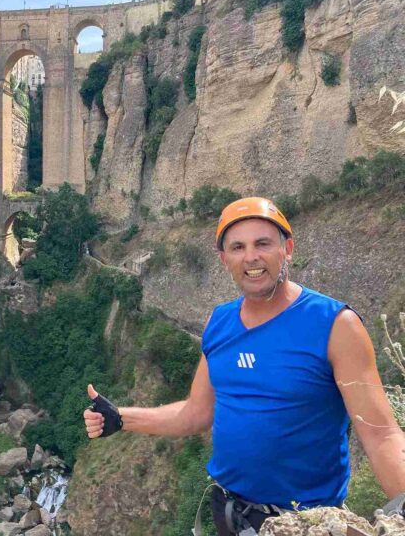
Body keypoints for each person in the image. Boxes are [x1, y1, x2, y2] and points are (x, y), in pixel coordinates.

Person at [83, 197, 405, 535]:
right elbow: (196, 413)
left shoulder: (335, 324)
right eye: (237, 247)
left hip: (302, 522)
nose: (251, 257)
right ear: (224, 260)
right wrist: (120, 418)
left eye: (262, 243)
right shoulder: (220, 322)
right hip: (230, 516)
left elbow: (380, 432)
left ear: (288, 248)